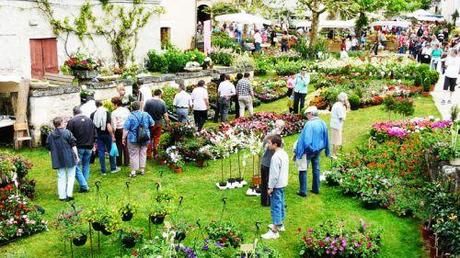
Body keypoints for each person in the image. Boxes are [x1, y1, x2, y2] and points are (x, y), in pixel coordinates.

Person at [295, 106, 330, 196]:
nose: (307, 116)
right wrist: (325, 149)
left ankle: (303, 191)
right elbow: (326, 137)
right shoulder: (322, 122)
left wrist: (309, 149)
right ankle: (316, 188)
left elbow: (306, 141)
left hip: (308, 151)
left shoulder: (309, 124)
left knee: (303, 169)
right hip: (318, 149)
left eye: (307, 114)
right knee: (316, 168)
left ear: (311, 114)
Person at [261, 134, 289, 240]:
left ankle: (274, 231)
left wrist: (270, 187)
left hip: (276, 185)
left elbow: (274, 175)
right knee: (281, 204)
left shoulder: (275, 157)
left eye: (269, 143)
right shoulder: (284, 153)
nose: (268, 145)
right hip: (282, 183)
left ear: (275, 144)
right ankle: (280, 225)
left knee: (275, 206)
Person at [47, 117, 79, 201]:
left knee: (61, 177)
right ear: (60, 124)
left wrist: (53, 157)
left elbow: (49, 148)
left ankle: (62, 196)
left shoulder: (50, 134)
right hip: (69, 157)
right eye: (64, 122)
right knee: (71, 176)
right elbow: (73, 145)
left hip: (57, 158)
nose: (65, 123)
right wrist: (77, 156)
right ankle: (69, 195)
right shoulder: (67, 132)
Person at [66, 106, 95, 193]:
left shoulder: (72, 121)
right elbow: (94, 133)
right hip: (89, 146)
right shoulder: (89, 120)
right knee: (86, 165)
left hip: (78, 146)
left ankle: (84, 185)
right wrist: (94, 143)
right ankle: (84, 184)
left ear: (74, 113)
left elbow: (68, 135)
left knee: (76, 166)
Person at [123, 101, 154, 177]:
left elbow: (126, 129)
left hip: (133, 138)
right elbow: (152, 123)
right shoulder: (146, 114)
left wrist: (123, 138)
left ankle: (133, 171)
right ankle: (142, 170)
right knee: (143, 152)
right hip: (145, 137)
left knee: (134, 154)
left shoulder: (130, 116)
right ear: (140, 107)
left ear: (132, 107)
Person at [91, 101, 120, 175]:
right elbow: (108, 125)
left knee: (101, 151)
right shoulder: (106, 113)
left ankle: (103, 170)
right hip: (107, 134)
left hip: (99, 135)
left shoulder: (93, 114)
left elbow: (93, 127)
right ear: (102, 105)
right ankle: (113, 168)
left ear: (96, 105)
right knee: (111, 150)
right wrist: (112, 135)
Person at [260, 120, 285, 207]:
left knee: (264, 182)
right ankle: (267, 202)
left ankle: (264, 201)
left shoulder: (270, 136)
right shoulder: (275, 138)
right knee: (268, 182)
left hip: (264, 162)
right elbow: (280, 150)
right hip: (268, 164)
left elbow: (263, 144)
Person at [144, 89, 170, 160]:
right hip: (158, 123)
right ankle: (156, 154)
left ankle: (148, 154)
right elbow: (165, 115)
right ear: (160, 94)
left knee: (149, 138)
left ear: (154, 93)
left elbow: (144, 113)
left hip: (149, 123)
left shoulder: (148, 102)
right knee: (157, 138)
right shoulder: (162, 103)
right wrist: (167, 123)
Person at [111, 97, 131, 167]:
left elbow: (114, 125)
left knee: (118, 145)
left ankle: (119, 162)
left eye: (113, 104)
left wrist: (113, 133)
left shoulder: (114, 112)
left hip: (119, 130)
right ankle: (127, 162)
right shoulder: (126, 110)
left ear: (116, 104)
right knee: (126, 145)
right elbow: (129, 119)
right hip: (126, 128)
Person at [330, 93, 348, 159]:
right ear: (343, 99)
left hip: (336, 124)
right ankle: (334, 154)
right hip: (336, 125)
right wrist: (346, 110)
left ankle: (336, 153)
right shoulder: (339, 106)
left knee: (337, 139)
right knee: (336, 140)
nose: (347, 100)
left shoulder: (337, 104)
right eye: (346, 99)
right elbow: (341, 117)